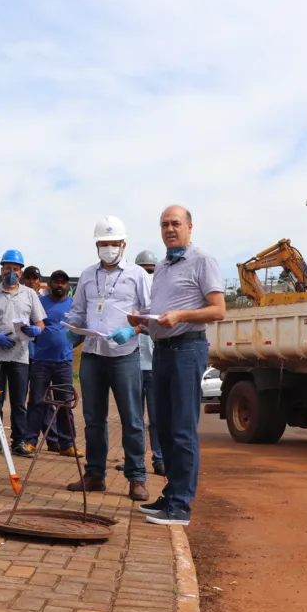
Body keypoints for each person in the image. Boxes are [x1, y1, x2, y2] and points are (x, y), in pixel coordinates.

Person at [129, 205, 225, 526]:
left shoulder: (202, 261)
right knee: (166, 428)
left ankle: (182, 505)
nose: (170, 229)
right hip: (162, 350)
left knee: (183, 429)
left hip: (187, 350)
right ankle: (171, 494)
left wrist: (180, 317)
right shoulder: (162, 267)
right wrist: (142, 323)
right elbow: (162, 314)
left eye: (176, 223)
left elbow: (218, 310)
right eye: (165, 225)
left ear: (189, 227)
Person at [65, 216, 152, 502]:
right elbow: (78, 312)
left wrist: (134, 329)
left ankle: (137, 477)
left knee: (132, 419)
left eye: (113, 244)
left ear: (123, 245)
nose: (108, 248)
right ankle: (94, 475)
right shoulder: (88, 275)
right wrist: (73, 331)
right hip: (92, 355)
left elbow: (152, 315)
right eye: (103, 244)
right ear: (96, 245)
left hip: (125, 356)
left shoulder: (138, 275)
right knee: (93, 420)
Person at [0, 249, 46, 457]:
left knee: (19, 401)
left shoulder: (29, 294)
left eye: (15, 269)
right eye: (7, 268)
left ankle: (19, 441)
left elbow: (40, 322)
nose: (11, 272)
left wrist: (37, 330)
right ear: (1, 269)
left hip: (20, 355)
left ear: (21, 272)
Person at [24, 270, 83, 458]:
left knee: (64, 403)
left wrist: (67, 346)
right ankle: (30, 441)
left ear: (68, 285)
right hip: (41, 361)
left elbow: (80, 333)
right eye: (56, 282)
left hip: (64, 363)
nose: (59, 285)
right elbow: (30, 326)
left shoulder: (74, 306)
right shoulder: (40, 302)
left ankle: (67, 444)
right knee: (36, 402)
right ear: (49, 285)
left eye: (63, 282)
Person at [117, 249, 164, 477]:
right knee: (132, 417)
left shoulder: (160, 295)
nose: (148, 275)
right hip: (133, 362)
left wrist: (136, 328)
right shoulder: (130, 298)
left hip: (154, 366)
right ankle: (132, 460)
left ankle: (159, 458)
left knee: (157, 417)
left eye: (151, 270)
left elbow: (158, 325)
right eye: (144, 270)